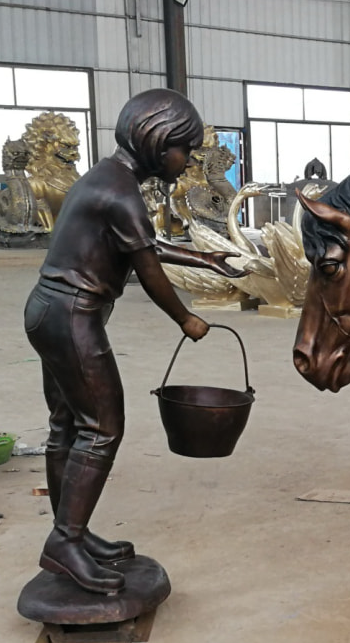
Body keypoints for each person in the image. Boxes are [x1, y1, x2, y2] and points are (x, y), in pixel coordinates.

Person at [23, 89, 244, 594]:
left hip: (47, 309)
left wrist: (201, 259)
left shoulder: (108, 179)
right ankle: (65, 542)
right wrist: (186, 318)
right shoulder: (119, 191)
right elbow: (148, 270)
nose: (186, 161)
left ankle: (70, 537)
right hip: (73, 317)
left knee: (67, 427)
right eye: (183, 149)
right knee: (103, 428)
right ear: (157, 140)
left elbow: (143, 241)